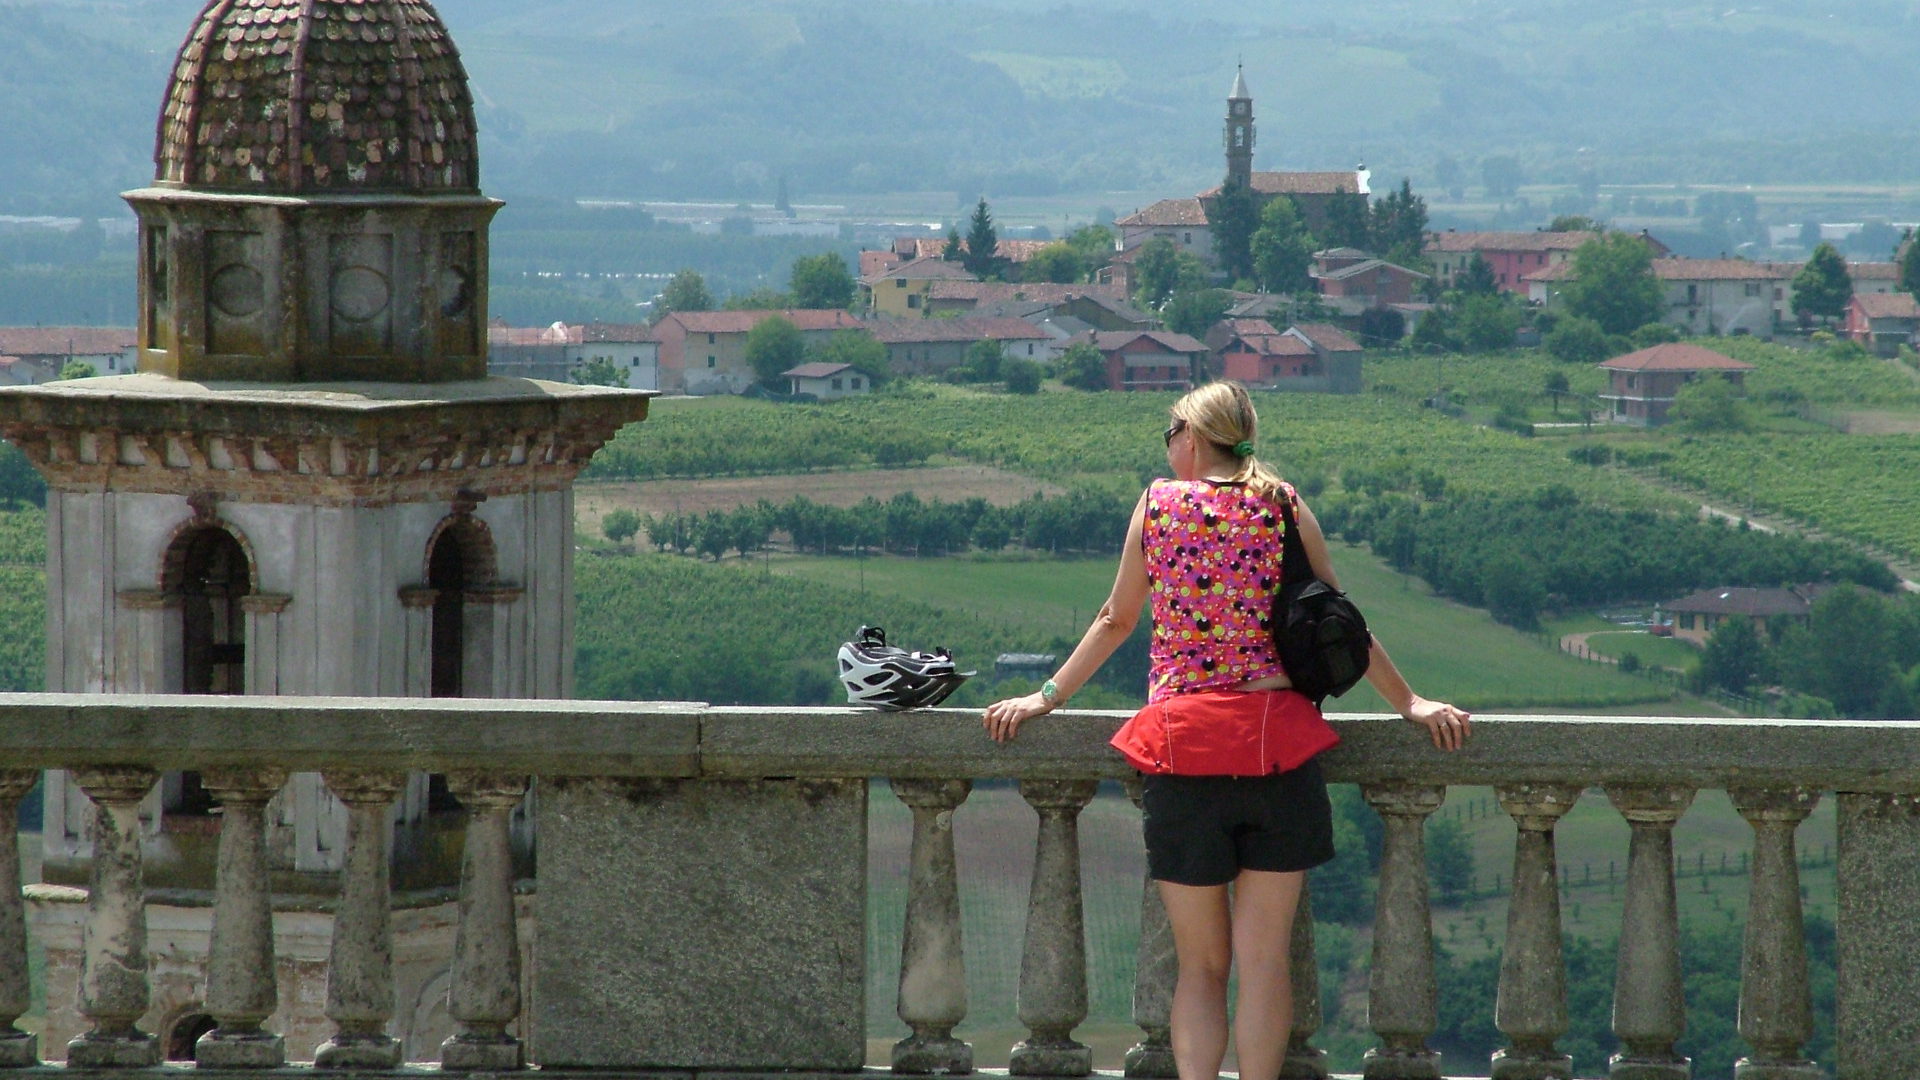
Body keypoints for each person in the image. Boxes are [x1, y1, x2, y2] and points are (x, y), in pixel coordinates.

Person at [983, 380, 1470, 1080]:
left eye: (1170, 433)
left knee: (1201, 967)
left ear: (1190, 435)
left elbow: (1116, 619)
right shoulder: (1283, 504)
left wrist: (1046, 695)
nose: (1169, 447)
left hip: (1181, 752)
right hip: (1278, 750)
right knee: (1265, 961)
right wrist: (1411, 703)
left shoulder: (1159, 503)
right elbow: (1337, 622)